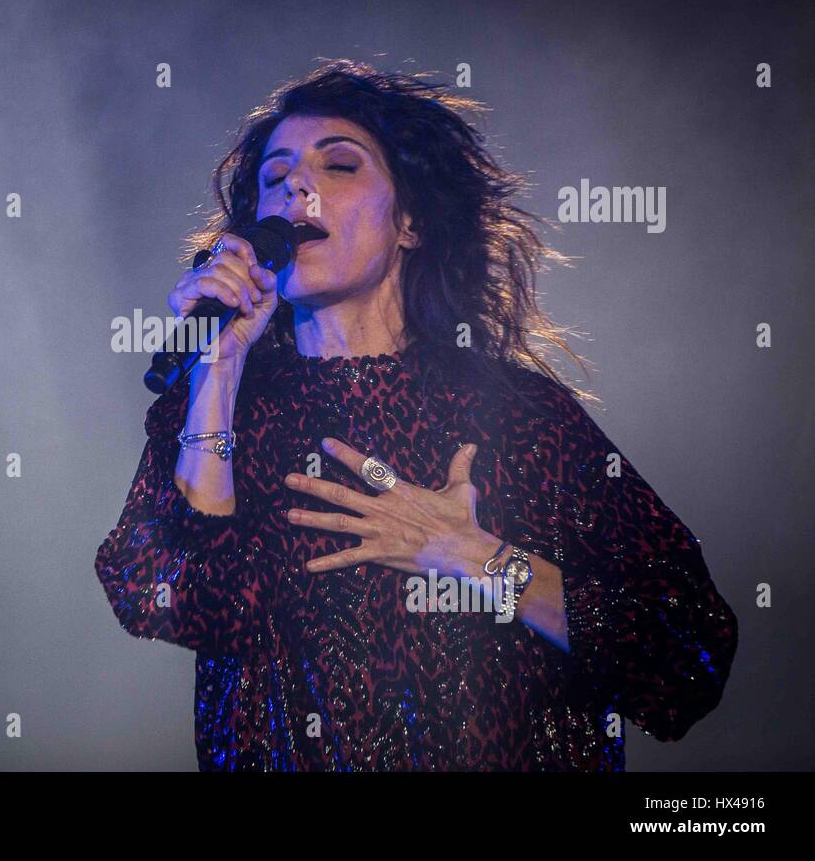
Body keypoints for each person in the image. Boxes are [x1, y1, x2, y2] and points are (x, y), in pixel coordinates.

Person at [93, 59, 738, 770]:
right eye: (274, 179)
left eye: (338, 166)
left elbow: (685, 657)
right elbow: (171, 601)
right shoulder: (221, 410)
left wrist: (475, 558)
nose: (294, 188)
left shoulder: (519, 414)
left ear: (411, 223)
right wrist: (218, 368)